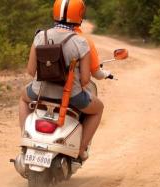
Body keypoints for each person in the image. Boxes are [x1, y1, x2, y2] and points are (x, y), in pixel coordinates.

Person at [19, 0, 103, 162]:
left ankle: (25, 139)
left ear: (55, 13)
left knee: (23, 99)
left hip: (39, 93)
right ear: (79, 15)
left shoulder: (40, 36)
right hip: (71, 96)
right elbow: (85, 80)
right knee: (98, 109)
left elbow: (30, 71)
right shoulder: (81, 42)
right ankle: (80, 150)